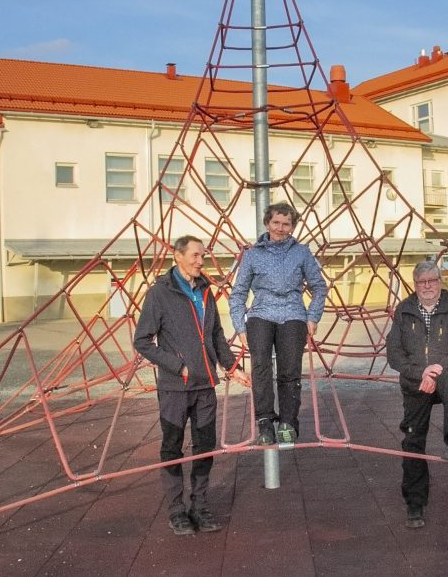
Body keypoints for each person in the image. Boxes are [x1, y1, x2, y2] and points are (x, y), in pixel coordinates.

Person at [133, 235, 250, 537]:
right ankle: (176, 510)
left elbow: (215, 335)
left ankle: (199, 505)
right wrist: (178, 365)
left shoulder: (207, 292)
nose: (201, 261)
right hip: (175, 388)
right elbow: (142, 341)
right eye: (196, 256)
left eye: (203, 256)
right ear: (178, 256)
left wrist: (232, 367)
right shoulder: (160, 294)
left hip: (205, 387)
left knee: (204, 448)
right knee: (172, 447)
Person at [229, 202, 327, 446]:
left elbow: (319, 287)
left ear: (293, 226)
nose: (281, 228)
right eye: (276, 223)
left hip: (293, 313)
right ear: (267, 223)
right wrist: (240, 326)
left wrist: (313, 317)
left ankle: (287, 422)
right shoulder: (253, 254)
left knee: (290, 370)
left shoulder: (301, 252)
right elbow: (238, 293)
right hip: (261, 313)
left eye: (287, 224)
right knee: (260, 366)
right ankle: (264, 420)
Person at [386, 260, 448, 529]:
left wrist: (436, 368)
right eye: (422, 282)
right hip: (416, 380)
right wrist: (420, 373)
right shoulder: (404, 311)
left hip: (445, 372)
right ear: (415, 285)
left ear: (440, 282)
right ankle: (415, 502)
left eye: (432, 281)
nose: (427, 286)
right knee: (413, 438)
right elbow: (394, 354)